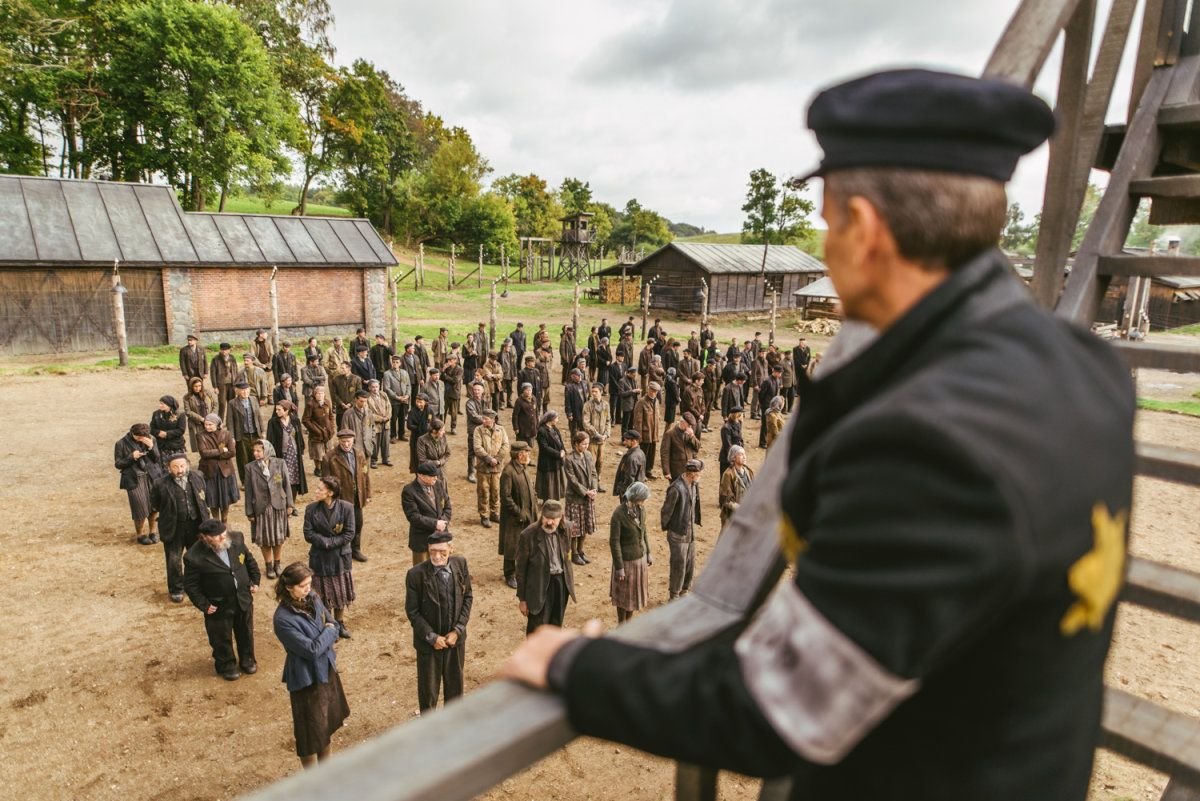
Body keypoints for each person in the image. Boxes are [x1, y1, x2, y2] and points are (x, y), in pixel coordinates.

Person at [498, 69, 1138, 801]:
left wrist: (576, 665)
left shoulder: (926, 441)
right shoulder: (1088, 367)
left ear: (863, 231)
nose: (829, 247)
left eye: (831, 224)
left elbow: (780, 706)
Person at [273, 562, 350, 768]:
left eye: (309, 583)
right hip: (305, 679)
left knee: (326, 724)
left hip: (326, 669)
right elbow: (312, 650)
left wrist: (329, 630)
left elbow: (333, 622)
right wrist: (328, 632)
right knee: (309, 733)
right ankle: (312, 778)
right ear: (289, 587)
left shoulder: (313, 597)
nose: (308, 589)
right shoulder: (282, 619)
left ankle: (326, 771)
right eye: (303, 585)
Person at [183, 519, 260, 681]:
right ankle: (226, 664)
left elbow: (249, 561)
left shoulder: (237, 539)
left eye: (224, 534)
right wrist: (203, 604)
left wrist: (255, 580)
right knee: (221, 636)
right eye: (217, 536)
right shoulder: (194, 556)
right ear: (205, 537)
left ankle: (247, 659)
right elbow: (191, 585)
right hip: (218, 605)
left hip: (242, 599)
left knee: (245, 632)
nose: (222, 538)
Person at [405, 531, 473, 713]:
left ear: (451, 549)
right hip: (429, 646)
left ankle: (453, 728)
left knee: (455, 689)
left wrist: (458, 630)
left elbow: (467, 597)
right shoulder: (415, 575)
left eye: (442, 552)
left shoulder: (461, 564)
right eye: (433, 551)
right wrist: (432, 637)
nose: (436, 556)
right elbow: (413, 611)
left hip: (454, 642)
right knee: (428, 693)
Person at [151, 451, 210, 602]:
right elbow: (155, 504)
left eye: (182, 466)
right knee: (174, 560)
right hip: (173, 527)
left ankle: (197, 586)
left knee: (197, 558)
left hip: (196, 525)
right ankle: (176, 588)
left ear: (188, 465)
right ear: (168, 468)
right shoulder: (160, 484)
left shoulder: (198, 477)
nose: (180, 470)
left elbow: (204, 499)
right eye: (175, 467)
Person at [303, 476, 356, 637]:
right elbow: (308, 533)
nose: (317, 491)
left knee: (340, 592)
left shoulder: (346, 508)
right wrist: (323, 542)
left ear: (330, 493)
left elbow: (350, 533)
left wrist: (331, 542)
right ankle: (329, 624)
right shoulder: (311, 509)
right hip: (319, 558)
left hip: (339, 557)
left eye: (320, 489)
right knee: (322, 595)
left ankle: (340, 623)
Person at [515, 500, 575, 635]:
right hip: (539, 587)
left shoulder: (567, 529)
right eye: (547, 518)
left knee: (556, 624)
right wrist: (522, 599)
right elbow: (520, 570)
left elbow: (568, 555)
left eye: (554, 519)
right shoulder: (528, 535)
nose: (549, 523)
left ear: (561, 517)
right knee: (537, 629)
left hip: (560, 584)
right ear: (541, 515)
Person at [244, 439, 293, 581]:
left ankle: (278, 564)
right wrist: (249, 512)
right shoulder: (250, 468)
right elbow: (248, 492)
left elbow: (286, 485)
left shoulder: (280, 463)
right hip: (261, 508)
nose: (255, 453)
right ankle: (269, 565)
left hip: (278, 506)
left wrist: (290, 505)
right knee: (264, 539)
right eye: (254, 451)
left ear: (267, 450)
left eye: (259, 450)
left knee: (278, 537)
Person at [322, 430, 371, 563]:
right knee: (341, 526)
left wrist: (367, 493)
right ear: (339, 441)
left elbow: (365, 475)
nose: (346, 444)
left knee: (358, 523)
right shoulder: (329, 457)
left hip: (357, 496)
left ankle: (356, 549)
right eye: (343, 442)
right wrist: (330, 499)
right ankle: (342, 551)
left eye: (348, 441)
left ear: (353, 441)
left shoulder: (359, 454)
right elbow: (326, 481)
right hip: (341, 498)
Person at [609, 481, 652, 624]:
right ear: (636, 497)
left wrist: (648, 552)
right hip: (626, 562)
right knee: (623, 597)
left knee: (633, 596)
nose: (645, 501)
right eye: (643, 498)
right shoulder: (618, 514)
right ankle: (621, 624)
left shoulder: (641, 509)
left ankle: (629, 622)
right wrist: (619, 567)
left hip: (639, 559)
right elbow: (614, 542)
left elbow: (643, 531)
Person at [660, 458, 702, 600]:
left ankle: (685, 590)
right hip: (678, 533)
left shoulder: (694, 485)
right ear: (692, 474)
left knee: (690, 562)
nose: (700, 475)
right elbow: (666, 511)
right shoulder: (676, 488)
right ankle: (674, 594)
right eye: (699, 473)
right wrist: (669, 529)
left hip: (689, 532)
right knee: (678, 564)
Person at [114, 422, 162, 544]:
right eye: (139, 437)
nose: (142, 439)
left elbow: (157, 459)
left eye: (144, 437)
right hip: (134, 479)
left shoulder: (151, 439)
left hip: (151, 477)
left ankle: (153, 532)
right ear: (132, 433)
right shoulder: (121, 443)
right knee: (139, 508)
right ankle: (140, 535)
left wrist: (151, 447)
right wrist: (132, 457)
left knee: (154, 507)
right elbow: (118, 464)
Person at [499, 442, 537, 589]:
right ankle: (510, 574)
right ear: (520, 455)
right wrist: (518, 512)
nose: (529, 455)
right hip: (514, 519)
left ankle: (522, 570)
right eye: (526, 452)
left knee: (525, 544)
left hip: (528, 514)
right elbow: (506, 497)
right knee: (512, 545)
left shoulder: (523, 469)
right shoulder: (508, 472)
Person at [402, 462, 452, 565]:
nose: (435, 478)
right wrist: (435, 524)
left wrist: (443, 522)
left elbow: (447, 506)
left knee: (442, 569)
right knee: (423, 573)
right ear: (420, 475)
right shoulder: (409, 491)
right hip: (422, 541)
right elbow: (413, 517)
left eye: (436, 475)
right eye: (432, 476)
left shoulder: (438, 484)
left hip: (441, 538)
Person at [563, 431, 599, 565]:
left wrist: (594, 488)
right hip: (575, 498)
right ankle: (574, 553)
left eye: (587, 444)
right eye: (583, 444)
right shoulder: (569, 459)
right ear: (576, 444)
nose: (586, 446)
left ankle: (581, 550)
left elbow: (594, 473)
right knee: (575, 528)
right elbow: (572, 480)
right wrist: (585, 492)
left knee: (585, 525)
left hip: (588, 496)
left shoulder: (588, 455)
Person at [197, 414, 239, 521]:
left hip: (225, 471)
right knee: (212, 499)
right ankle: (216, 521)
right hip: (209, 471)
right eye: (206, 424)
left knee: (225, 499)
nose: (207, 427)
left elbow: (232, 452)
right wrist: (221, 451)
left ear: (217, 424)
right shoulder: (200, 435)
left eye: (210, 424)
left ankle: (224, 520)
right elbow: (204, 453)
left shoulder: (226, 434)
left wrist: (215, 455)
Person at [472, 409, 508, 528]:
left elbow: (505, 445)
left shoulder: (501, 430)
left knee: (496, 491)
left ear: (493, 420)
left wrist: (497, 459)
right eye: (483, 418)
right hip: (483, 468)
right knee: (483, 492)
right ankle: (484, 515)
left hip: (497, 468)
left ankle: (494, 513)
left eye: (486, 419)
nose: (483, 420)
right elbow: (477, 447)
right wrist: (488, 459)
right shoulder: (478, 430)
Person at [267, 400, 308, 504]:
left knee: (293, 479)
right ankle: (281, 503)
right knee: (279, 478)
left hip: (293, 455)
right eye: (276, 409)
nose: (277, 411)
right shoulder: (273, 422)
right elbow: (270, 440)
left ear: (286, 411)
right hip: (280, 456)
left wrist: (301, 450)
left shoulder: (295, 420)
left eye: (279, 410)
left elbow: (299, 438)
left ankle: (291, 504)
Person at [224, 380, 263, 483]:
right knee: (243, 459)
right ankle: (245, 481)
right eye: (242, 390)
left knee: (256, 456)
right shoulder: (232, 403)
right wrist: (232, 437)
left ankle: (257, 479)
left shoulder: (254, 400)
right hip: (241, 436)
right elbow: (230, 422)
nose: (245, 392)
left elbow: (259, 416)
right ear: (237, 391)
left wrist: (262, 431)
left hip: (254, 434)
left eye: (246, 390)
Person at [302, 384, 337, 477]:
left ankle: (327, 468)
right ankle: (318, 468)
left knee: (328, 450)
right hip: (316, 433)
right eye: (318, 393)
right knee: (318, 452)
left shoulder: (327, 402)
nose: (320, 395)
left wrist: (332, 428)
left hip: (328, 432)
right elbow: (305, 420)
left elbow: (331, 416)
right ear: (314, 394)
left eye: (322, 393)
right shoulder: (310, 404)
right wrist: (316, 430)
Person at [718, 445, 754, 530]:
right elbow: (725, 500)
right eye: (741, 454)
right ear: (733, 457)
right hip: (732, 516)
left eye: (744, 454)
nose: (744, 457)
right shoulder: (728, 474)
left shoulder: (749, 471)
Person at [535, 411, 566, 502]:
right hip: (547, 462)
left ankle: (555, 499)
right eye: (556, 418)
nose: (557, 420)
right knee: (548, 483)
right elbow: (544, 447)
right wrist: (558, 454)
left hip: (556, 461)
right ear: (551, 419)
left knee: (555, 482)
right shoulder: (542, 431)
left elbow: (560, 441)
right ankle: (547, 500)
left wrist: (563, 450)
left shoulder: (555, 429)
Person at [632, 382, 660, 479]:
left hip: (653, 433)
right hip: (645, 433)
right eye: (652, 390)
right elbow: (637, 420)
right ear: (648, 389)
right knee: (643, 454)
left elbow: (657, 418)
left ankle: (648, 471)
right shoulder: (641, 402)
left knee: (651, 454)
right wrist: (638, 436)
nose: (653, 393)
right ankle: (641, 473)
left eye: (655, 391)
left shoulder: (656, 402)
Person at [660, 413, 700, 483]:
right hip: (676, 471)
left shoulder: (689, 433)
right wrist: (667, 471)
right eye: (688, 425)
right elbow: (665, 453)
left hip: (690, 470)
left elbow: (697, 447)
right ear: (682, 422)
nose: (690, 427)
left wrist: (692, 436)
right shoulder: (670, 434)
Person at [581, 382, 610, 477]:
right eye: (592, 391)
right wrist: (596, 435)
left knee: (600, 462)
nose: (593, 393)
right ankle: (590, 483)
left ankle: (598, 481)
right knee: (591, 462)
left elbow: (608, 421)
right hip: (592, 440)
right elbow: (586, 423)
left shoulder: (606, 405)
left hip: (602, 440)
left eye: (596, 391)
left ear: (601, 392)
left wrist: (606, 434)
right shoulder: (587, 405)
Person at [182, 377, 217, 453]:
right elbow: (188, 412)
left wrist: (211, 417)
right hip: (197, 424)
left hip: (209, 421)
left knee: (212, 442)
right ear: (191, 386)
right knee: (201, 445)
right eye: (195, 386)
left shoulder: (207, 393)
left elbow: (215, 404)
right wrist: (201, 419)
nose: (198, 388)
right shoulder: (187, 397)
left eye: (199, 386)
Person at [383, 354, 411, 443]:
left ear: (400, 363)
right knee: (393, 419)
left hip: (404, 399)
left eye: (397, 362)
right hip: (394, 400)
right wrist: (397, 397)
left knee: (402, 418)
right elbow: (387, 388)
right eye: (393, 362)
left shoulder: (404, 372)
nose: (395, 364)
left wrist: (407, 395)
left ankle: (402, 434)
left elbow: (408, 385)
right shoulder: (387, 374)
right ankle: (393, 436)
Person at [366, 379, 392, 467]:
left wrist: (388, 416)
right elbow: (368, 413)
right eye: (373, 387)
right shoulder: (367, 398)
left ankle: (386, 459)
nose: (375, 389)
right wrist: (381, 419)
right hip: (375, 425)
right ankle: (374, 460)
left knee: (386, 442)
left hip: (386, 423)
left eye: (376, 386)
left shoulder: (383, 394)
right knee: (375, 443)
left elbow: (389, 407)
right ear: (369, 388)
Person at [612, 430, 646, 497]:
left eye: (627, 441)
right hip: (637, 490)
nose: (624, 442)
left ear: (634, 441)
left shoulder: (632, 458)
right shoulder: (641, 453)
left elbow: (629, 478)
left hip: (630, 493)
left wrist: (624, 492)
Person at [416, 417, 450, 484]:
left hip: (442, 472)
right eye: (442, 430)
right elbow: (422, 459)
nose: (444, 432)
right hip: (428, 474)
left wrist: (440, 462)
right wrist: (435, 463)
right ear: (434, 431)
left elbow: (447, 453)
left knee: (442, 490)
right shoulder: (422, 440)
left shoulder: (443, 437)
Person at [209, 342, 238, 418]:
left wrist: (236, 384)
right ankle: (220, 421)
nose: (224, 351)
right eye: (222, 350)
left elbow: (236, 371)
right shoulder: (215, 359)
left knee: (231, 403)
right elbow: (213, 373)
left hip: (232, 384)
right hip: (221, 385)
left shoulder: (232, 358)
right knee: (222, 403)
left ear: (229, 350)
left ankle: (230, 420)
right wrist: (215, 387)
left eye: (226, 350)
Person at [406, 395, 433, 473]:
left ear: (425, 402)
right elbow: (409, 425)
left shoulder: (429, 411)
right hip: (415, 438)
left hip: (427, 438)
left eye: (421, 402)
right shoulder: (412, 412)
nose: (418, 404)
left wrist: (426, 428)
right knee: (416, 458)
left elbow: (431, 422)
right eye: (417, 402)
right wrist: (420, 428)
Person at [757, 365, 783, 447]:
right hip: (766, 405)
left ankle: (769, 440)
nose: (780, 374)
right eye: (779, 373)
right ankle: (762, 442)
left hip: (773, 406)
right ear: (774, 372)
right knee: (765, 424)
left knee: (772, 424)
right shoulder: (767, 381)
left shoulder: (777, 380)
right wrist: (763, 404)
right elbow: (761, 394)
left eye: (780, 373)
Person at [718, 406, 744, 477]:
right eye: (742, 414)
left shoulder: (738, 424)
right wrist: (734, 458)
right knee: (726, 480)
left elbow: (740, 439)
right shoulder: (726, 428)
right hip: (727, 458)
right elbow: (728, 445)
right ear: (737, 415)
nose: (743, 416)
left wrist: (741, 452)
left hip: (737, 455)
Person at [512, 383, 539, 447]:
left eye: (530, 390)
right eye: (527, 390)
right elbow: (515, 415)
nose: (529, 392)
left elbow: (536, 413)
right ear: (523, 390)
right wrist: (516, 428)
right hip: (523, 429)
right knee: (521, 447)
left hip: (532, 428)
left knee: (531, 446)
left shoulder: (534, 399)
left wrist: (537, 424)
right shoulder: (519, 401)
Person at [617, 366, 639, 434]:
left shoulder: (634, 380)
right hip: (627, 405)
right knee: (625, 424)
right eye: (633, 375)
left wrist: (638, 391)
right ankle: (624, 439)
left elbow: (636, 388)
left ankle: (630, 438)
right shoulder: (622, 381)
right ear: (629, 373)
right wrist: (632, 391)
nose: (634, 376)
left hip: (634, 404)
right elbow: (621, 394)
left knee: (631, 423)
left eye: (635, 374)